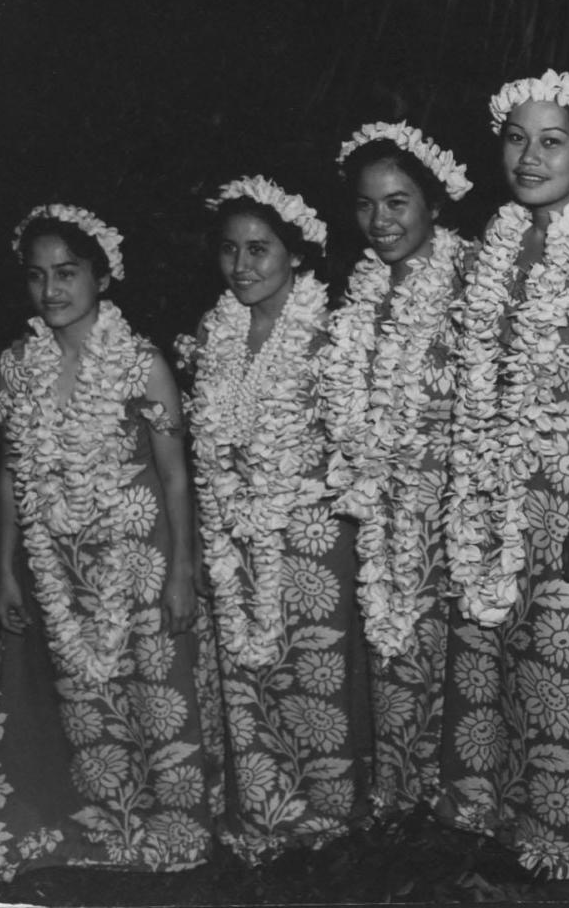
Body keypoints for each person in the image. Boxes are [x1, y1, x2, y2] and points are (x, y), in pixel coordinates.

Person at [0, 205, 220, 877]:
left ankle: (175, 830)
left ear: (103, 275)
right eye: (37, 277)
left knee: (158, 694)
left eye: (68, 273)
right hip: (62, 571)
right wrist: (4, 569)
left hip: (142, 561)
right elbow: (7, 473)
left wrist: (183, 568)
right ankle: (107, 826)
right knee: (86, 704)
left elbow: (178, 478)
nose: (52, 290)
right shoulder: (14, 368)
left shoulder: (142, 364)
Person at [440, 70, 569, 879]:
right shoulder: (489, 253)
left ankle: (559, 831)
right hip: (496, 492)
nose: (530, 155)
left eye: (553, 140)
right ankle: (496, 808)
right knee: (498, 653)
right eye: (516, 137)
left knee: (562, 662)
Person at [182, 176, 370, 861]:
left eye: (260, 249)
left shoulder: (329, 333)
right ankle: (262, 810)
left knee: (314, 676)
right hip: (234, 530)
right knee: (248, 672)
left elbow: (357, 445)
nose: (242, 266)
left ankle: (328, 816)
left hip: (313, 534)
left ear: (297, 253)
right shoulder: (215, 331)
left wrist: (298, 497)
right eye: (229, 250)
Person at [323, 122, 472, 816]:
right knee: (394, 648)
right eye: (365, 204)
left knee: (458, 658)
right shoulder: (358, 297)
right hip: (385, 509)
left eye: (398, 202)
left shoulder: (475, 279)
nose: (378, 221)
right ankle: (403, 797)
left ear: (435, 204)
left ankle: (460, 799)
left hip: (456, 507)